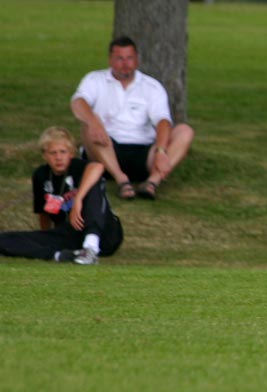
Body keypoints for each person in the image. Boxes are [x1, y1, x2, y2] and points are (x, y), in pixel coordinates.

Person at [70, 36, 195, 200]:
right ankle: (121, 180)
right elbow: (78, 102)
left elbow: (163, 121)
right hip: (106, 149)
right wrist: (93, 121)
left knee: (185, 131)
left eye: (130, 58)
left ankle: (152, 182)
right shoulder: (95, 79)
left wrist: (161, 151)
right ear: (110, 59)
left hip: (142, 152)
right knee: (88, 125)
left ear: (137, 60)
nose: (125, 64)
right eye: (119, 58)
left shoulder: (152, 86)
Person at [0, 127, 122, 265]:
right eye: (53, 153)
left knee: (92, 184)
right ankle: (60, 255)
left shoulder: (78, 167)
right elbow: (43, 213)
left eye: (63, 152)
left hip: (103, 233)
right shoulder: (41, 175)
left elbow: (98, 167)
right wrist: (45, 237)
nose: (58, 157)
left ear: (71, 153)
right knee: (5, 239)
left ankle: (90, 247)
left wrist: (78, 200)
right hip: (69, 233)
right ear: (45, 155)